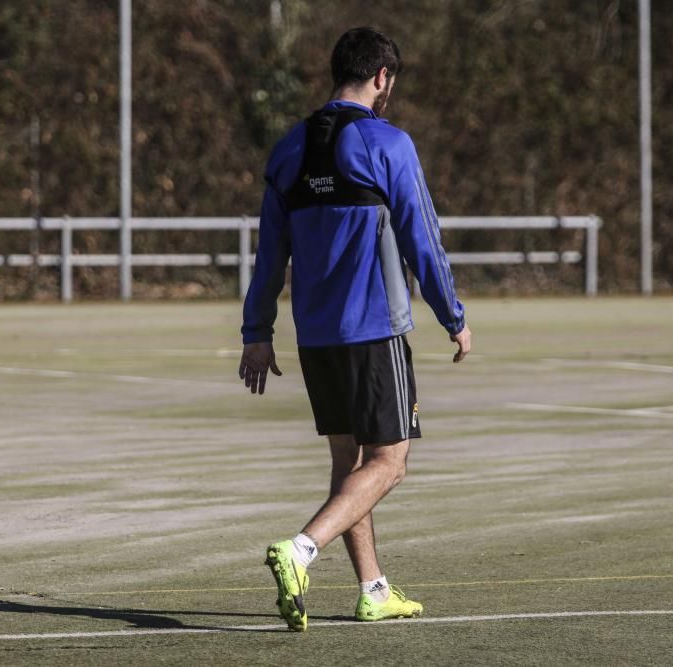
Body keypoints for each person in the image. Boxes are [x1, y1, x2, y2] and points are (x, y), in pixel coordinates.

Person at [238, 27, 471, 632]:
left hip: (314, 336)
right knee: (389, 463)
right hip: (374, 330)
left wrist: (256, 332)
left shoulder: (289, 148)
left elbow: (270, 254)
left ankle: (373, 587)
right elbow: (423, 238)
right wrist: (454, 317)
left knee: (350, 463)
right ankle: (300, 550)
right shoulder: (387, 143)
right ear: (382, 78)